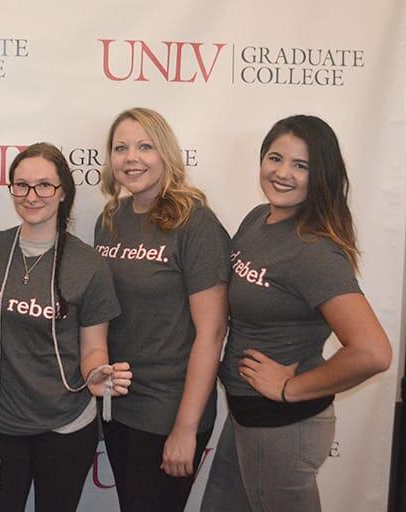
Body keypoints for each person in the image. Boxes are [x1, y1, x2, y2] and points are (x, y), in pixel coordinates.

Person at [201, 115, 392, 511]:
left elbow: (374, 351)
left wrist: (290, 389)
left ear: (320, 175)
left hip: (284, 428)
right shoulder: (258, 218)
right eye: (275, 158)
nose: (282, 173)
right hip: (246, 417)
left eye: (300, 165)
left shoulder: (313, 251)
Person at [0, 142, 132, 512]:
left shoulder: (88, 264)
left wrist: (96, 373)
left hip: (66, 424)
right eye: (22, 185)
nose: (32, 196)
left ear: (63, 192)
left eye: (44, 185)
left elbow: (94, 346)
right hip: (2, 425)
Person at [93, 108, 230, 511]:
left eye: (144, 146)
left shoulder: (196, 223)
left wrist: (186, 429)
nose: (131, 157)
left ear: (166, 153)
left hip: (170, 410)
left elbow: (212, 331)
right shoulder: (111, 219)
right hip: (119, 406)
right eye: (121, 148)